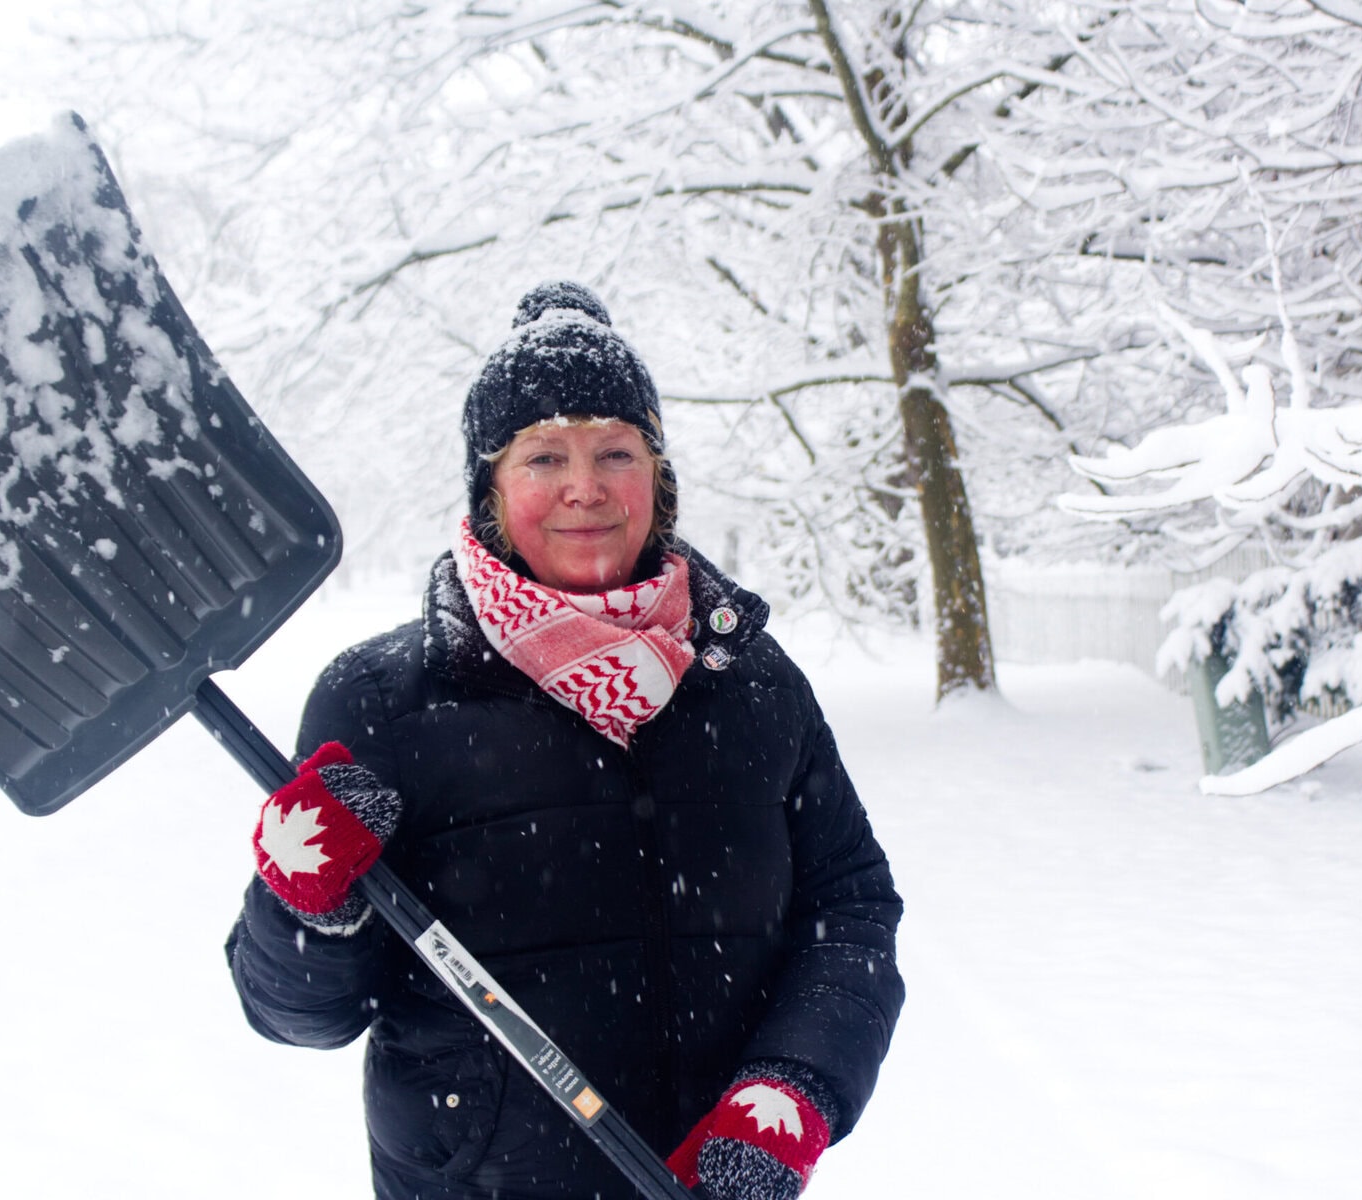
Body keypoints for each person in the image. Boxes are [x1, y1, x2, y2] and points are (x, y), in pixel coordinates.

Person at [225, 282, 905, 1200]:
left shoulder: (747, 678)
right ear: (491, 490)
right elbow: (296, 1015)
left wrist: (794, 1089)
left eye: (615, 451)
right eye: (543, 456)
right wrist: (307, 907)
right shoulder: (382, 699)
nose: (585, 487)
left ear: (656, 479)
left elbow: (851, 909)